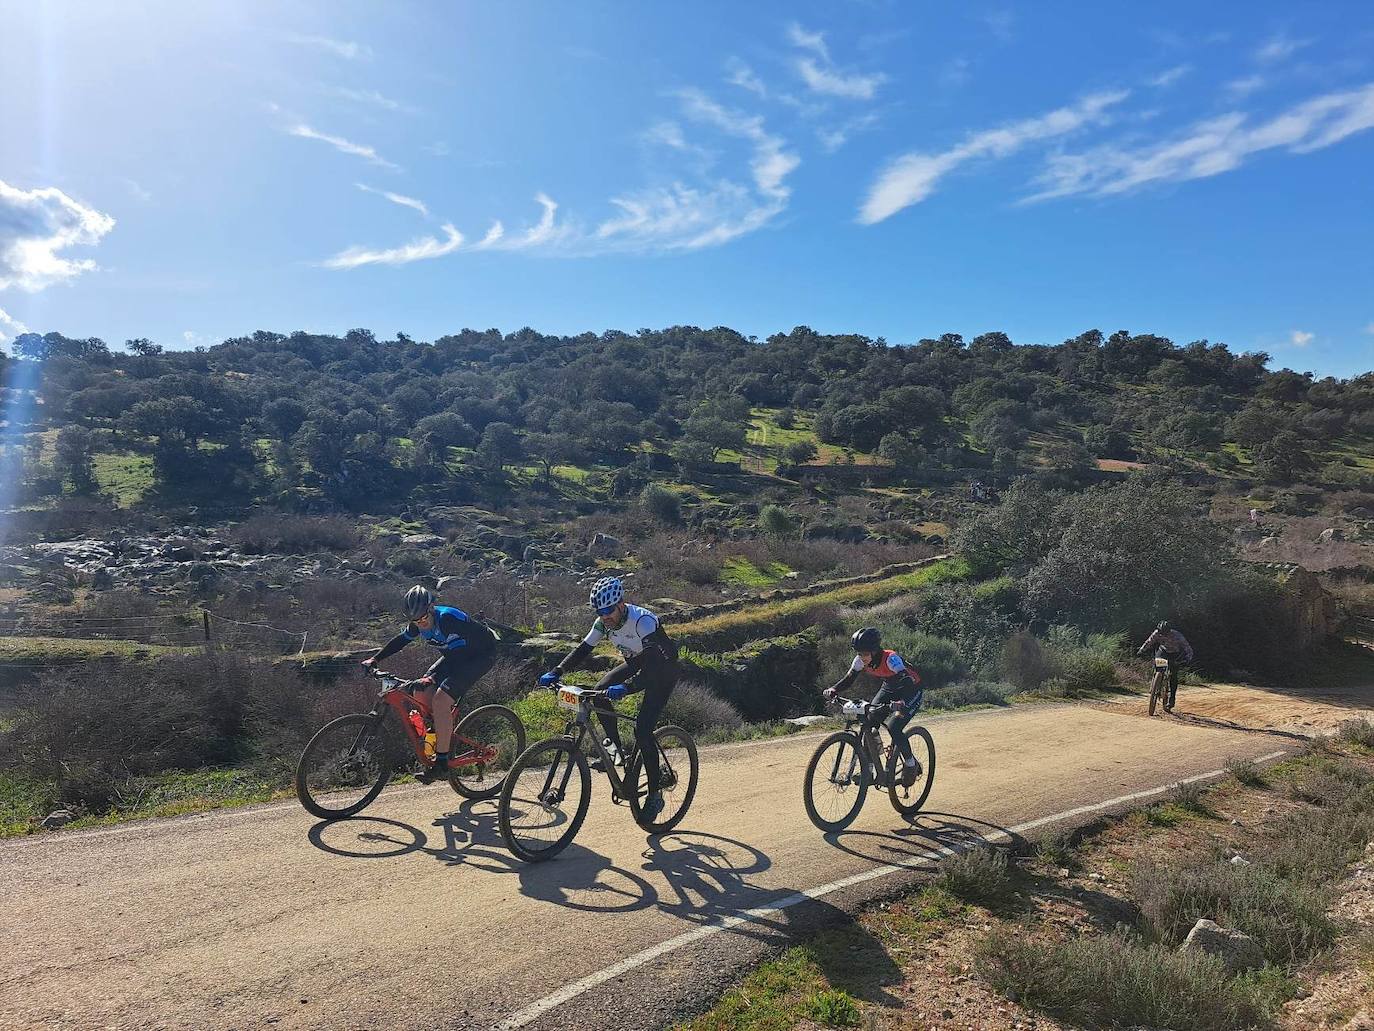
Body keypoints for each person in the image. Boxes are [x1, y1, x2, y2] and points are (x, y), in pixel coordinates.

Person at [539, 576, 679, 821]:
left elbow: (654, 667)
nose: (605, 616)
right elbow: (583, 649)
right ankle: (616, 754)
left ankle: (655, 794)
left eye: (608, 611)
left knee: (643, 730)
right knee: (599, 692)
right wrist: (557, 671)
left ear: (621, 605)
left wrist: (627, 686)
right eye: (600, 612)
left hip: (662, 671)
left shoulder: (643, 622)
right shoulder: (603, 623)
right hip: (637, 663)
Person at [363, 585, 498, 783]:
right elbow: (401, 640)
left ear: (432, 607)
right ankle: (439, 736)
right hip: (455, 656)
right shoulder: (418, 623)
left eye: (424, 618)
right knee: (421, 693)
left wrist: (437, 680)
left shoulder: (449, 618)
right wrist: (375, 659)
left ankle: (442, 761)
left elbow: (469, 651)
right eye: (416, 621)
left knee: (441, 700)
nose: (421, 624)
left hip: (480, 656)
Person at [824, 627, 924, 786]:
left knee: (894, 726)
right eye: (858, 653)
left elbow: (906, 681)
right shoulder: (860, 660)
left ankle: (911, 764)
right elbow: (849, 679)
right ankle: (869, 770)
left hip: (911, 690)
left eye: (865, 654)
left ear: (875, 651)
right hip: (890, 687)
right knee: (869, 723)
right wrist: (834, 689)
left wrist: (902, 702)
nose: (861, 657)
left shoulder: (891, 659)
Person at [1136, 620, 1194, 713]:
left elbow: (1187, 648)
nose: (1163, 635)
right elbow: (1149, 642)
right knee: (1159, 666)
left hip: (1175, 654)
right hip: (1163, 652)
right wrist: (1141, 650)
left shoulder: (1177, 636)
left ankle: (1171, 700)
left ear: (1169, 631)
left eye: (1165, 633)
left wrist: (1187, 658)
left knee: (1173, 675)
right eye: (1161, 633)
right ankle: (1156, 682)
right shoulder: (1157, 633)